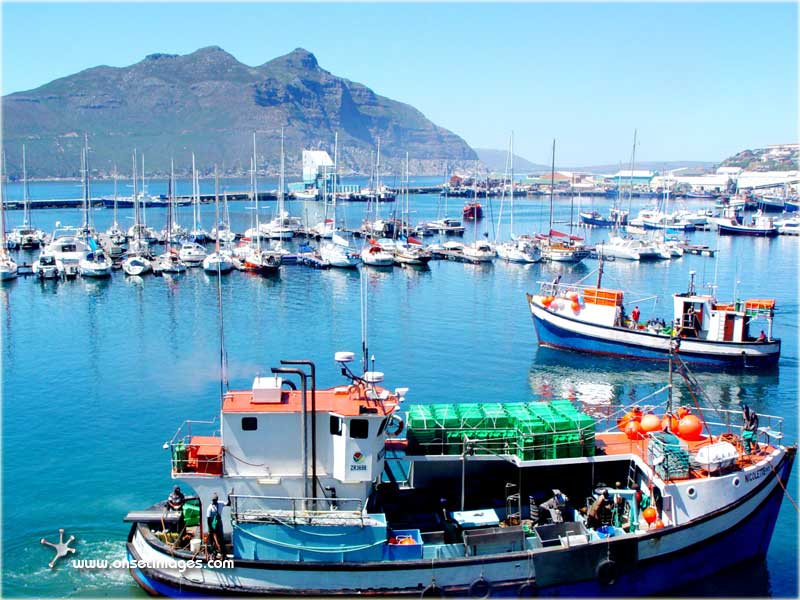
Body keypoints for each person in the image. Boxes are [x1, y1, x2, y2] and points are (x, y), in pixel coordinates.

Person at [206, 492, 230, 558]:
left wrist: (229, 497)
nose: (213, 501)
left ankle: (223, 554)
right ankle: (213, 553)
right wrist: (211, 529)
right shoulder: (210, 508)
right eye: (213, 500)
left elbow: (228, 504)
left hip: (219, 524)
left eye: (215, 500)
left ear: (217, 499)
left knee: (221, 539)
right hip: (212, 524)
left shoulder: (220, 503)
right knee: (212, 540)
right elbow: (208, 519)